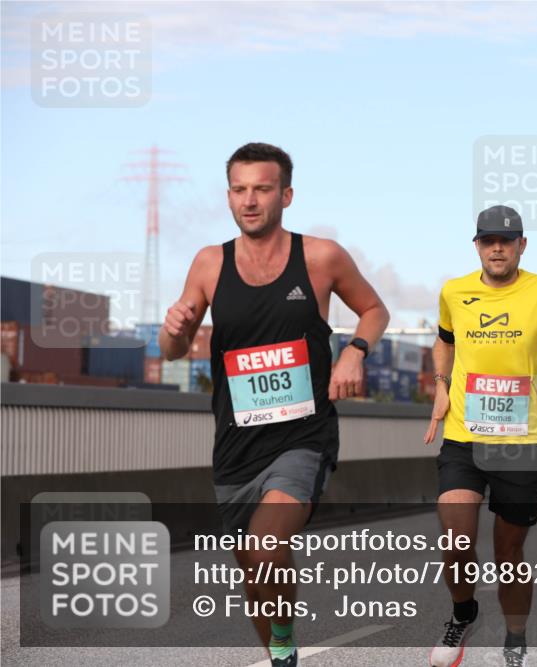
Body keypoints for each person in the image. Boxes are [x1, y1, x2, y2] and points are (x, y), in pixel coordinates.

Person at [160, 143, 389, 667]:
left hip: (303, 439)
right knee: (254, 569)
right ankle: (283, 656)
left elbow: (374, 309)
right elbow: (175, 348)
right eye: (239, 190)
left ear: (285, 194)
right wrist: (171, 334)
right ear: (228, 197)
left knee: (266, 546)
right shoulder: (209, 263)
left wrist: (354, 352)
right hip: (236, 445)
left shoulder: (320, 257)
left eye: (262, 189)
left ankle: (284, 648)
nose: (250, 200)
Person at [422, 205, 537, 667]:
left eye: (507, 241)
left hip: (519, 440)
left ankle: (515, 639)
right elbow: (444, 340)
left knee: (509, 552)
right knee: (455, 539)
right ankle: (463, 613)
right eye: (488, 240)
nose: (497, 248)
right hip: (463, 435)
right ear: (476, 245)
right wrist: (440, 384)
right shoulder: (454, 292)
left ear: (521, 246)